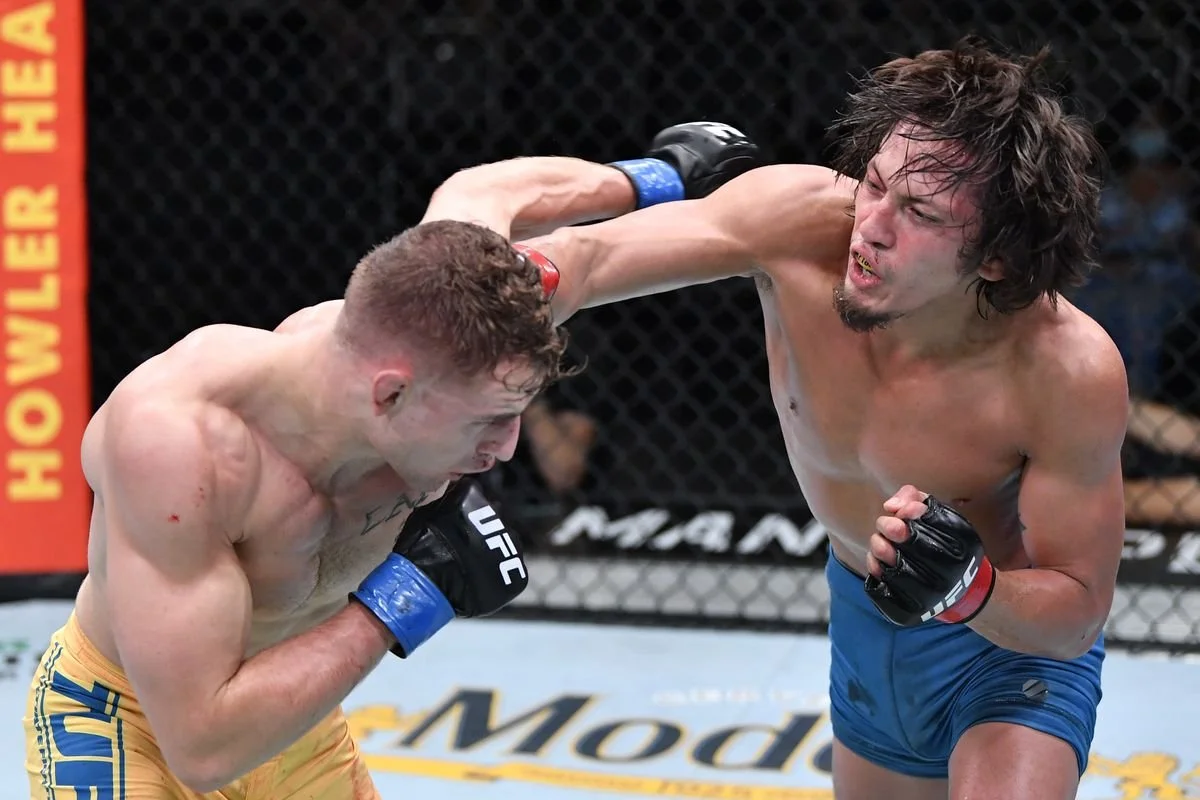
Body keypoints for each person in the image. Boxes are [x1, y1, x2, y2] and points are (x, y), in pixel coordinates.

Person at [423, 37, 1128, 800]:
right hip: (865, 622)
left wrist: (973, 588)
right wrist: (508, 290)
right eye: (876, 184)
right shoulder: (797, 223)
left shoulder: (1062, 369)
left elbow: (1075, 614)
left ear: (994, 257)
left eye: (920, 212)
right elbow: (583, 263)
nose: (872, 225)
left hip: (1005, 646)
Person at [25, 220, 571, 797]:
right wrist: (404, 599)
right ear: (391, 393)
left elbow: (591, 248)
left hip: (290, 727)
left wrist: (636, 183)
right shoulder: (181, 445)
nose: (505, 448)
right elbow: (201, 751)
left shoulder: (446, 315)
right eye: (487, 420)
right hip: (132, 724)